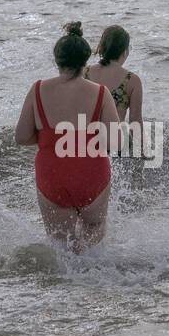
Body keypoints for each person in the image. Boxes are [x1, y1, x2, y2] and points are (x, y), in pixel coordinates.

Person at [15, 22, 121, 251]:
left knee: (60, 246)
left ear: (57, 60)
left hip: (52, 174)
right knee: (94, 229)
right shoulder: (101, 93)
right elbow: (115, 142)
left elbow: (22, 137)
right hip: (91, 172)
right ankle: (90, 275)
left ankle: (64, 280)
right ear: (85, 61)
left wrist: (49, 139)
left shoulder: (37, 90)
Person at [83, 24, 142, 126]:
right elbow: (135, 120)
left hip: (86, 137)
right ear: (125, 51)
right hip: (115, 138)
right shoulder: (132, 80)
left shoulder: (85, 73)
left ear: (101, 48)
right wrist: (140, 142)